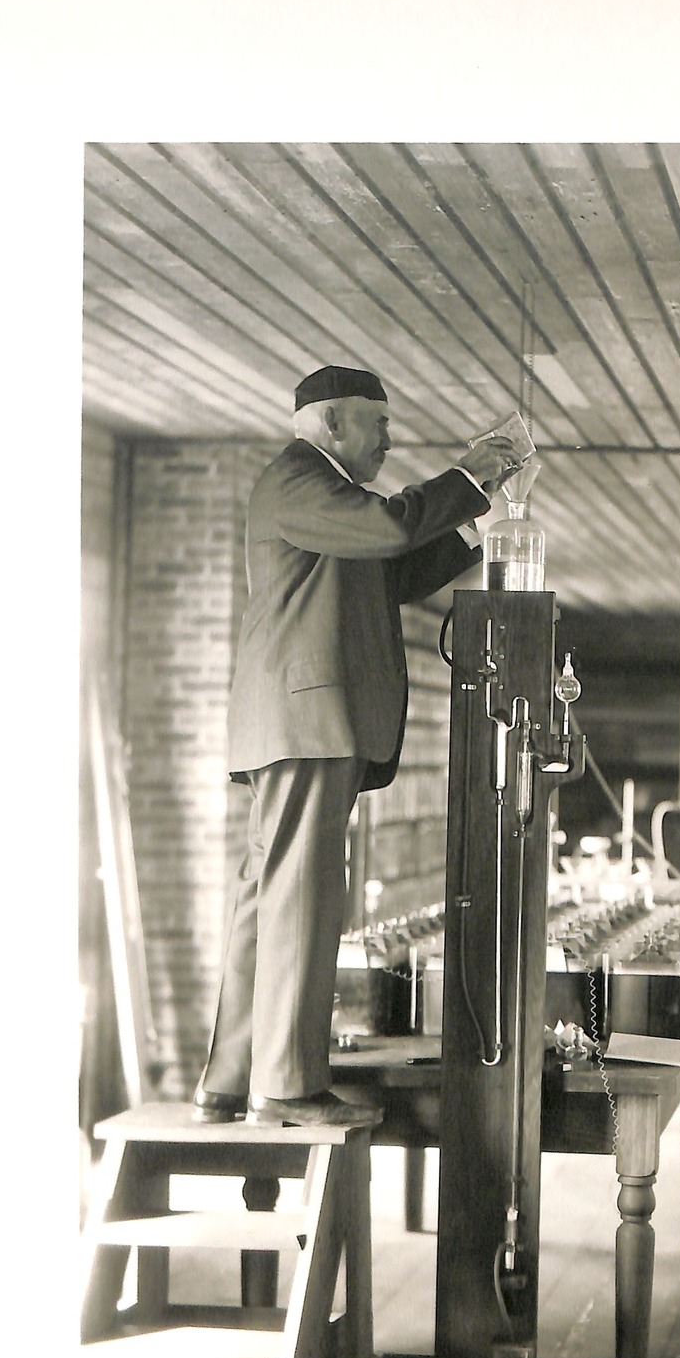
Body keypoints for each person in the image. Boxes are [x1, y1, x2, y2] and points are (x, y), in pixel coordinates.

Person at [193, 364, 523, 1127]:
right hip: (307, 721)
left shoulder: (317, 497)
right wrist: (472, 476)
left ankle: (228, 1079)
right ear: (332, 423)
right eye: (379, 423)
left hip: (297, 723)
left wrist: (473, 529)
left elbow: (391, 572)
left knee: (268, 899)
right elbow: (393, 527)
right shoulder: (300, 479)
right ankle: (285, 1084)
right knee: (304, 898)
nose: (390, 439)